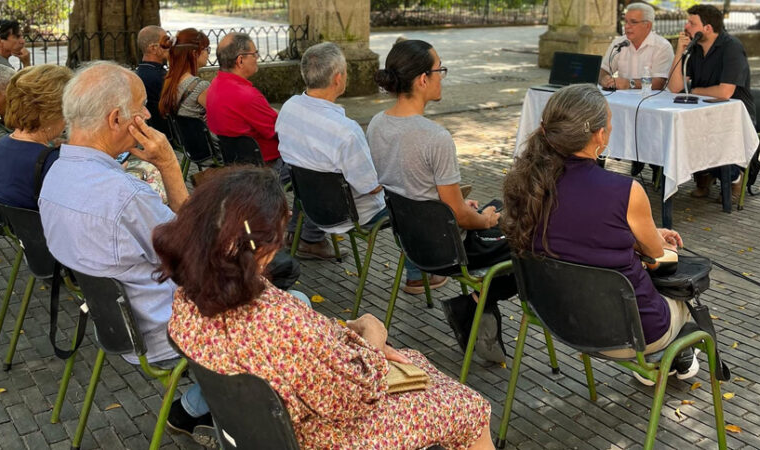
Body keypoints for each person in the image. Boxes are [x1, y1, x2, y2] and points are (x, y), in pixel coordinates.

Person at [161, 166, 495, 450]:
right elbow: (352, 399)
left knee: (418, 365)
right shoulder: (279, 321)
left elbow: (296, 349)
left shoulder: (191, 295)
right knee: (473, 407)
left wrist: (345, 331)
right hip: (324, 435)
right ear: (263, 244)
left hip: (269, 425)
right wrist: (372, 340)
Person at [38, 61, 215, 447]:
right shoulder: (126, 195)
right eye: (142, 107)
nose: (148, 115)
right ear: (117, 118)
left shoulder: (53, 175)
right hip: (161, 334)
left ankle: (197, 404)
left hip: (114, 325)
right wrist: (168, 163)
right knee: (289, 305)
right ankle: (208, 407)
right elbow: (197, 249)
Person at [501, 84, 699, 386]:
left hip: (557, 319)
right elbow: (656, 253)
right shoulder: (625, 191)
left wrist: (631, 228)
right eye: (608, 124)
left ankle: (665, 362)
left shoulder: (526, 184)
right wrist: (649, 234)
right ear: (598, 136)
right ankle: (670, 359)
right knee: (684, 298)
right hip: (633, 333)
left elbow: (576, 228)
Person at [367, 40, 517, 363]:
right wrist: (487, 220)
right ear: (422, 79)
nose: (442, 77)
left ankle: (477, 304)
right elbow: (460, 217)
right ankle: (474, 305)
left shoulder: (377, 124)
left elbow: (411, 187)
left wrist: (464, 207)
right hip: (450, 248)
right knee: (532, 239)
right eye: (440, 70)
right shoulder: (435, 138)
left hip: (411, 241)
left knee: (497, 208)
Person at [276, 42, 446, 294]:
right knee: (410, 201)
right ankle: (417, 276)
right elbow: (371, 187)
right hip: (351, 213)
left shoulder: (288, 108)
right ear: (337, 79)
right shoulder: (346, 131)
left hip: (313, 206)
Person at [208, 32, 341, 260]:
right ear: (240, 60)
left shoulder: (216, 86)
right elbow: (280, 131)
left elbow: (272, 122)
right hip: (266, 167)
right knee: (319, 170)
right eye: (254, 54)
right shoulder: (245, 94)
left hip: (238, 166)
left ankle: (298, 234)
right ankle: (310, 238)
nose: (257, 58)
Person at [667, 4, 756, 202]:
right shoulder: (695, 48)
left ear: (707, 28)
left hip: (735, 114)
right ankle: (704, 174)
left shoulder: (731, 47)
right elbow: (674, 87)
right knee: (681, 129)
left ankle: (733, 177)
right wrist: (679, 52)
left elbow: (725, 91)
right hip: (702, 110)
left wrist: (695, 90)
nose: (686, 26)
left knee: (714, 134)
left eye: (692, 23)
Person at [0, 64, 71, 210]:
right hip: (44, 230)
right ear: (50, 114)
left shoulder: (1, 145)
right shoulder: (52, 163)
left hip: (15, 227)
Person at [599, 3, 673, 91]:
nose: (626, 26)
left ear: (648, 26)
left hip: (650, 100)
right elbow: (603, 69)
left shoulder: (662, 47)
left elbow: (659, 82)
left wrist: (630, 83)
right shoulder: (619, 43)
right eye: (625, 21)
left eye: (633, 22)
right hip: (622, 98)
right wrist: (604, 78)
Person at [158, 28, 210, 123]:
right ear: (195, 53)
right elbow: (224, 117)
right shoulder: (200, 86)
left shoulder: (171, 80)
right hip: (201, 137)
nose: (208, 54)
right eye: (207, 49)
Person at [136, 25, 171, 139]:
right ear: (153, 48)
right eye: (166, 42)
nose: (170, 46)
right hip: (167, 134)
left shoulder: (140, 72)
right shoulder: (158, 77)